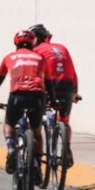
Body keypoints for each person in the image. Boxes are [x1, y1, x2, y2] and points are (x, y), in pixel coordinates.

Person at [0, 29, 56, 180]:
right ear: (33, 43)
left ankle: (10, 149)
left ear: (15, 42)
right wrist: (54, 101)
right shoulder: (40, 58)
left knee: (9, 124)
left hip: (17, 96)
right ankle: (37, 167)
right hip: (37, 96)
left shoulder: (9, 57)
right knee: (36, 132)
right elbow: (48, 82)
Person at [30, 24, 80, 167]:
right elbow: (73, 71)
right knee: (64, 121)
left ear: (36, 38)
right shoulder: (62, 48)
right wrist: (75, 91)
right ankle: (67, 149)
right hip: (67, 86)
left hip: (48, 87)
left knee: (36, 119)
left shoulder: (36, 50)